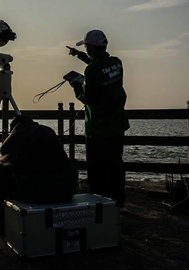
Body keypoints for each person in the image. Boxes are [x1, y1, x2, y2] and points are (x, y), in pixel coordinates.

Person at [68, 29, 130, 212]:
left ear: (91, 48)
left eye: (86, 46)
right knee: (115, 165)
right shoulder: (116, 63)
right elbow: (101, 67)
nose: (85, 49)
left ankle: (99, 205)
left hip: (98, 128)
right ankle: (119, 204)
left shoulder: (92, 70)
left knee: (97, 169)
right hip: (117, 125)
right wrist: (78, 55)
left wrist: (77, 86)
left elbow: (88, 98)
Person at [0, 115, 78, 203]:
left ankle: (3, 198)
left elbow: (3, 150)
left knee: (2, 162)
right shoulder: (47, 130)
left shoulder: (19, 130)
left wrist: (12, 135)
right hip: (66, 191)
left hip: (36, 193)